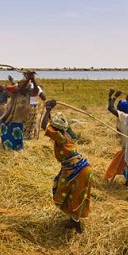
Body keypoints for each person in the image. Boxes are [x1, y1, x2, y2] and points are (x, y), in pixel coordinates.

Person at [41, 100, 94, 233]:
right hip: (80, 167)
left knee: (72, 196)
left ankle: (77, 228)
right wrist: (50, 112)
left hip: (77, 170)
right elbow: (50, 124)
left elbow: (44, 125)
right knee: (71, 194)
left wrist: (48, 109)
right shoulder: (68, 133)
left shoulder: (61, 138)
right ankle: (72, 221)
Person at [0, 72, 34, 151]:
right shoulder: (17, 91)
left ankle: (17, 148)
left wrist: (30, 78)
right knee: (4, 126)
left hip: (19, 117)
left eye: (21, 85)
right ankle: (6, 145)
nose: (19, 86)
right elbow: (15, 87)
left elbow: (22, 88)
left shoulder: (28, 92)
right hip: (11, 114)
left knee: (17, 131)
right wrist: (12, 81)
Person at [104, 90, 128, 183]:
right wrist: (110, 97)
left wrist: (114, 97)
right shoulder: (127, 116)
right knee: (127, 163)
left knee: (121, 162)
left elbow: (110, 108)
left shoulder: (123, 116)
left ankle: (114, 178)